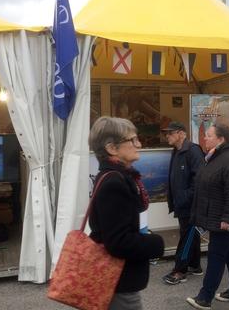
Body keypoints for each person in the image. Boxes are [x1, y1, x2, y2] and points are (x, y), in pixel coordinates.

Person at [88, 116, 165, 310]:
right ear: (112, 148)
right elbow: (118, 242)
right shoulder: (115, 182)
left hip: (117, 279)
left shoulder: (117, 177)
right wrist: (156, 243)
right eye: (132, 140)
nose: (138, 144)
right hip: (117, 281)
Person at [186, 123, 229, 310]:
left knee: (216, 256)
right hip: (218, 216)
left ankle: (205, 298)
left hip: (224, 220)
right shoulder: (217, 157)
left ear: (221, 139)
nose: (204, 138)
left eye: (208, 135)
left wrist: (228, 218)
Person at [161, 121, 205, 285]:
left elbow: (199, 180)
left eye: (170, 133)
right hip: (182, 204)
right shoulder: (177, 151)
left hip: (191, 205)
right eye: (166, 133)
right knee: (191, 234)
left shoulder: (192, 151)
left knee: (186, 237)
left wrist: (184, 197)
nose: (167, 136)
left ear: (181, 133)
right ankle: (195, 265)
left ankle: (180, 270)